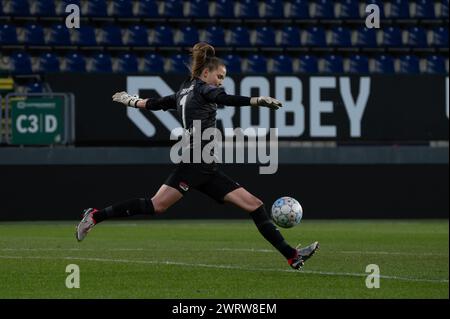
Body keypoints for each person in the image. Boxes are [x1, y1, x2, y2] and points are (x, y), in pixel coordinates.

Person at [76, 42, 319, 270]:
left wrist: (131, 100)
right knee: (156, 205)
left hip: (208, 168)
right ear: (205, 74)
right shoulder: (204, 90)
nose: (221, 82)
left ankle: (292, 256)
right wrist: (257, 101)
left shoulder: (184, 90)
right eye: (219, 77)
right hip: (194, 165)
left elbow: (155, 103)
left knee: (254, 205)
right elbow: (225, 98)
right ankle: (95, 216)